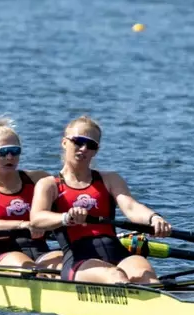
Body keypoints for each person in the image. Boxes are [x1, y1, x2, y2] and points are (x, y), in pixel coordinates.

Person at [30, 115, 170, 284]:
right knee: (115, 276)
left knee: (146, 274)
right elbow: (36, 219)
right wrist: (66, 217)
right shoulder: (49, 185)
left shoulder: (110, 179)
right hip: (79, 260)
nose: (83, 148)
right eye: (78, 142)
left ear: (96, 150)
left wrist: (153, 218)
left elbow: (131, 207)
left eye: (91, 145)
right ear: (64, 142)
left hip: (117, 252)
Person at [0, 116, 59, 270]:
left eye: (15, 151)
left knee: (62, 265)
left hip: (41, 251)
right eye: (2, 152)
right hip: (3, 255)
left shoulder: (38, 180)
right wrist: (22, 225)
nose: (9, 157)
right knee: (27, 267)